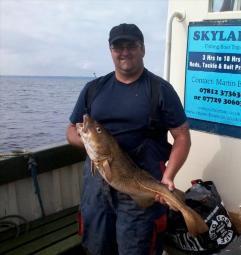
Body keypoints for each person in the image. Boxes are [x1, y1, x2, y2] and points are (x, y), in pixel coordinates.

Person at [66, 23, 191, 255]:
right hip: (96, 185)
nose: (124, 52)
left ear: (142, 49)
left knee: (136, 248)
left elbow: (182, 136)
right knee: (97, 246)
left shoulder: (160, 90)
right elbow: (72, 130)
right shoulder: (93, 89)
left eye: (131, 46)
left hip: (141, 183)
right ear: (110, 50)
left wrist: (168, 176)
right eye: (118, 47)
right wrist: (89, 143)